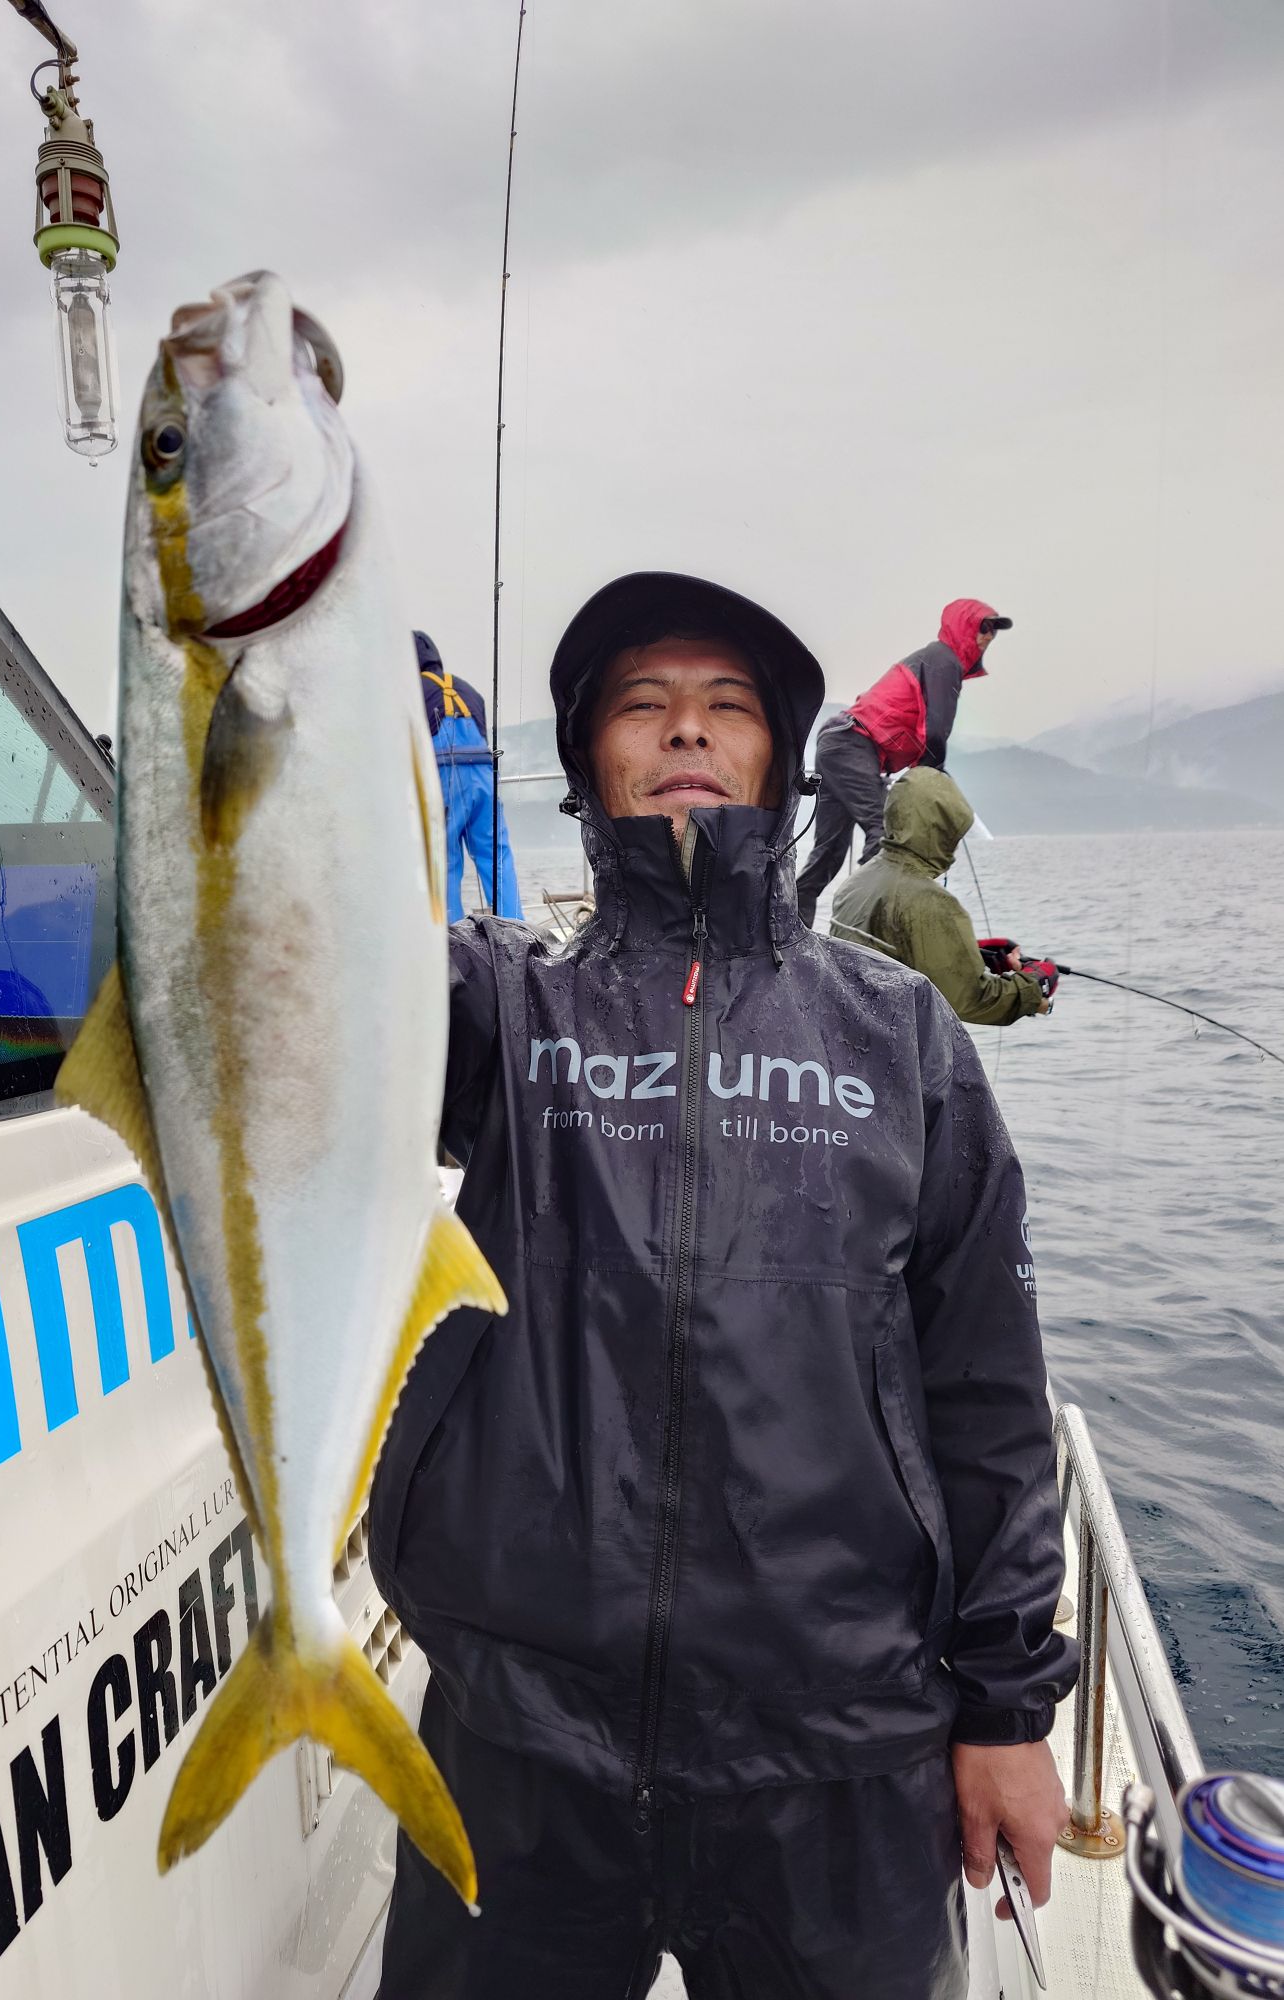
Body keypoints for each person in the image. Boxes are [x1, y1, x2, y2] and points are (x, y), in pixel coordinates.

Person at [371, 572, 1075, 2000]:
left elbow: (988, 1389)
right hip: (518, 1746)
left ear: (779, 752)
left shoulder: (902, 1036)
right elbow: (289, 968)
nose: (685, 727)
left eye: (727, 704)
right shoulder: (500, 1007)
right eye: (643, 703)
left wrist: (1005, 1709)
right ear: (589, 760)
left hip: (841, 1759)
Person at [796, 598, 1011, 929]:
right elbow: (936, 732)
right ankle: (867, 927)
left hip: (837, 744)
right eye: (984, 627)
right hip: (853, 743)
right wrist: (930, 782)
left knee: (828, 853)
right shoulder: (944, 659)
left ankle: (788, 928)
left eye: (994, 630)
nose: (988, 636)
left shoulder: (935, 660)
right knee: (884, 831)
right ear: (964, 626)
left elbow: (929, 737)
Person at [830, 767, 1059, 1026]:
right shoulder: (929, 902)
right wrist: (1034, 983)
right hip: (896, 1043)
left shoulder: (859, 880)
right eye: (953, 835)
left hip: (851, 1031)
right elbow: (973, 1000)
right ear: (940, 830)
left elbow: (885, 952)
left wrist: (966, 951)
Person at [416, 629, 523, 923]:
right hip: (483, 780)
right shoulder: (468, 690)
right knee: (496, 855)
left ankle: (449, 935)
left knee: (444, 859)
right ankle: (518, 927)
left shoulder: (411, 691)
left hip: (443, 778)